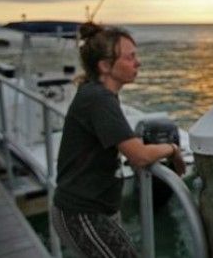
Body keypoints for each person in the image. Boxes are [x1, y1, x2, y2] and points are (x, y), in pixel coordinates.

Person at [52, 22, 185, 258]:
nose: (138, 62)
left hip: (94, 210)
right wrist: (172, 148)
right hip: (82, 213)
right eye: (130, 57)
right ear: (105, 66)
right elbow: (139, 155)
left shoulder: (98, 94)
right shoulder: (98, 99)